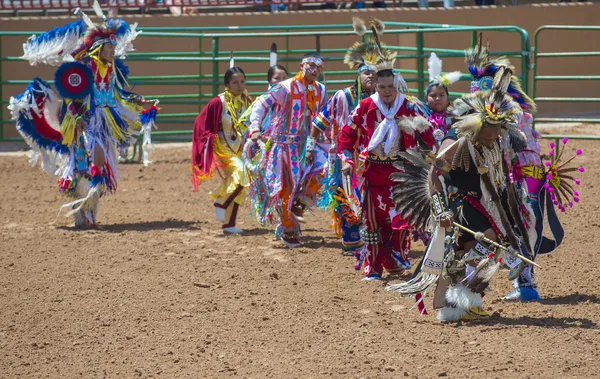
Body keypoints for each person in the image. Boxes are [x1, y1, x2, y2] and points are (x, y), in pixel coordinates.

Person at [386, 68, 532, 321]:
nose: (496, 134)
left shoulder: (496, 138)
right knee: (487, 244)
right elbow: (434, 175)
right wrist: (440, 209)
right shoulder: (457, 138)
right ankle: (458, 301)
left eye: (499, 129)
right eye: (492, 129)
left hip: (483, 199)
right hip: (459, 200)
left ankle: (460, 306)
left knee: (470, 252)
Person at [9, 2, 149, 228]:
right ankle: (81, 214)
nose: (114, 51)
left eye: (114, 48)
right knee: (82, 168)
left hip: (105, 124)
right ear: (99, 50)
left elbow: (117, 95)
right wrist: (78, 119)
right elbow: (70, 99)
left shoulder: (111, 71)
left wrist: (138, 102)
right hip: (84, 124)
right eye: (110, 48)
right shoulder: (84, 71)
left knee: (100, 167)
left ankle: (90, 214)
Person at [337, 53, 435, 280]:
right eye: (382, 87)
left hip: (402, 174)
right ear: (376, 87)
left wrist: (428, 158)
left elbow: (427, 135)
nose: (387, 91)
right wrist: (346, 159)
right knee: (372, 221)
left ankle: (394, 259)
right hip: (373, 172)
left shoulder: (410, 107)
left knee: (400, 222)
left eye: (390, 86)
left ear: (396, 85)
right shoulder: (365, 106)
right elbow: (347, 134)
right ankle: (373, 267)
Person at [310, 17, 384, 255]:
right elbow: (318, 122)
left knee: (371, 196)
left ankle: (371, 237)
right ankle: (352, 240)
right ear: (358, 75)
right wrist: (311, 146)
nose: (371, 78)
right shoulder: (342, 97)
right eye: (367, 74)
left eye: (375, 74)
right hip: (344, 156)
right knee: (345, 196)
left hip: (373, 157)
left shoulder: (384, 100)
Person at [247, 52, 328, 247]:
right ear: (302, 66)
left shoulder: (321, 90)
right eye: (311, 65)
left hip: (309, 145)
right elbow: (260, 104)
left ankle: (298, 206)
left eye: (319, 67)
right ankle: (288, 228)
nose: (315, 70)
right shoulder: (284, 87)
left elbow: (325, 115)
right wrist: (255, 128)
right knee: (284, 189)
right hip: (283, 146)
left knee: (324, 171)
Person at [191, 66, 253, 234]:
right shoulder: (219, 102)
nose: (239, 85)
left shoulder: (247, 100)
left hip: (240, 149)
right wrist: (209, 139)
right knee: (241, 175)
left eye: (242, 81)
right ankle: (221, 202)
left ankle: (229, 224)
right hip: (223, 149)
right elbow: (200, 122)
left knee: (240, 183)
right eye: (235, 82)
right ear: (227, 84)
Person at [424, 52, 462, 149]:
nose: (437, 98)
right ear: (426, 98)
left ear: (447, 97)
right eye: (433, 95)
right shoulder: (422, 115)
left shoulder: (455, 116)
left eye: (441, 95)